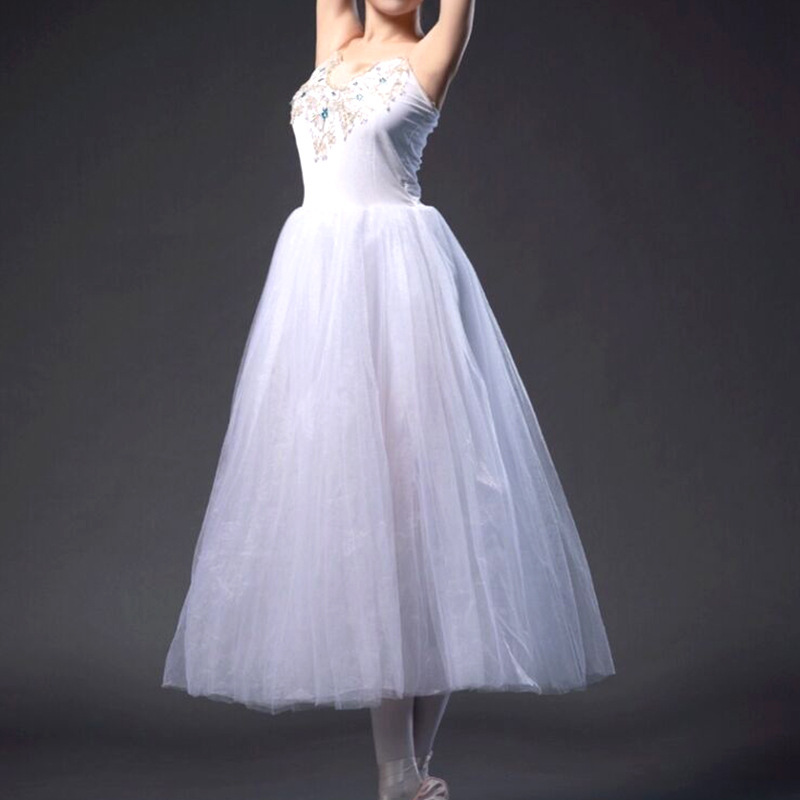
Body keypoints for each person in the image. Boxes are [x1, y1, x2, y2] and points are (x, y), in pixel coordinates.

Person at [162, 2, 616, 799]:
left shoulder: (432, 53)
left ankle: (402, 771)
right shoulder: (334, 38)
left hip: (403, 301)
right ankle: (403, 774)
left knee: (421, 523)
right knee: (357, 521)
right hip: (318, 304)